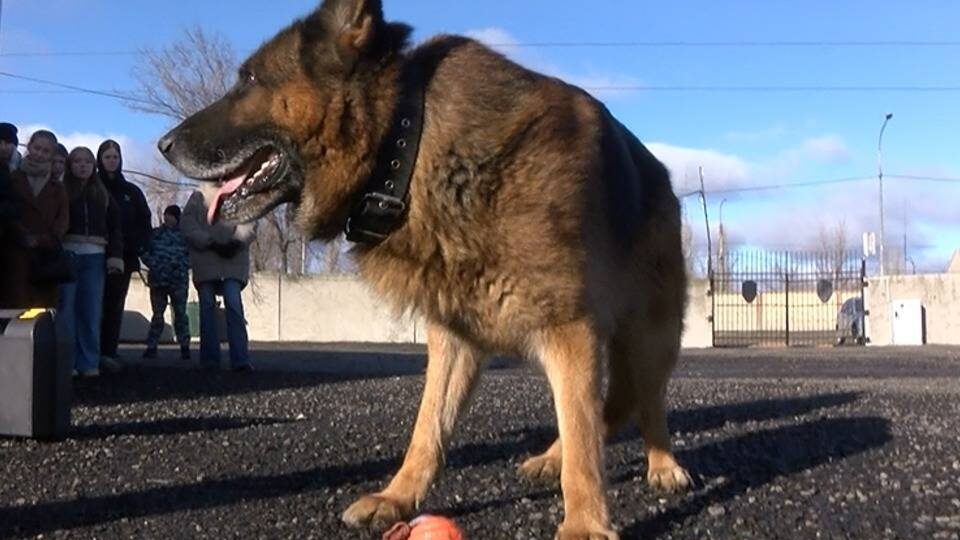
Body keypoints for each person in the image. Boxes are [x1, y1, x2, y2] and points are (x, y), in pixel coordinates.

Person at [57, 147, 124, 377]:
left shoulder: (102, 193)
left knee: (92, 311)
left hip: (95, 255)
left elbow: (115, 226)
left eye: (87, 161)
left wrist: (115, 256)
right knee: (67, 311)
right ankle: (68, 361)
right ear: (70, 165)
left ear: (93, 165)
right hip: (68, 254)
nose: (82, 165)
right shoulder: (62, 189)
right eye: (77, 161)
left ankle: (89, 362)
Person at [180, 189, 255, 372]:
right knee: (206, 307)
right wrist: (210, 242)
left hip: (233, 259)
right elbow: (187, 224)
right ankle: (210, 359)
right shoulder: (199, 196)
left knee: (234, 305)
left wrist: (237, 242)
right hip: (206, 258)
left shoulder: (241, 193)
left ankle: (240, 359)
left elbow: (251, 219)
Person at [97, 139, 151, 372]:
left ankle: (109, 351)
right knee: (93, 306)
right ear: (100, 159)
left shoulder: (132, 192)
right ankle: (91, 352)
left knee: (114, 305)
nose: (111, 161)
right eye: (107, 157)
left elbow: (144, 223)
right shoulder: (92, 187)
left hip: (124, 258)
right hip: (95, 255)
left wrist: (138, 247)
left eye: (115, 157)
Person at [3, 130, 69, 309]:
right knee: (14, 308)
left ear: (52, 154)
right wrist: (21, 234)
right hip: (15, 253)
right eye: (37, 148)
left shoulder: (58, 187)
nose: (40, 154)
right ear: (29, 146)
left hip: (45, 259)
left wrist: (44, 239)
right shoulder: (12, 178)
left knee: (41, 314)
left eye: (46, 151)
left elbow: (63, 220)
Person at [141, 204, 191, 361]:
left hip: (178, 281)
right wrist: (153, 264)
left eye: (171, 215)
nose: (167, 217)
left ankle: (185, 346)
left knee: (181, 314)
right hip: (158, 281)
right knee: (157, 315)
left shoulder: (185, 237)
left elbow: (192, 256)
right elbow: (144, 252)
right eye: (166, 214)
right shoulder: (155, 234)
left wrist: (182, 265)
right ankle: (152, 346)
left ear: (177, 218)